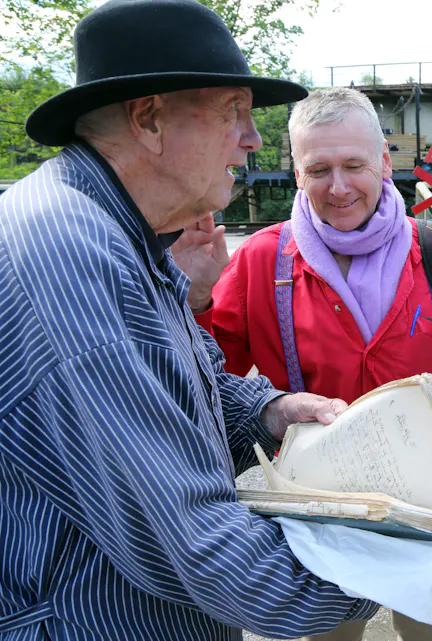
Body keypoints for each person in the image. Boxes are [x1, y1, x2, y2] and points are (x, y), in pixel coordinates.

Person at [0, 0, 380, 638]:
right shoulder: (70, 254)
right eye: (233, 112)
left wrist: (271, 410)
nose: (253, 138)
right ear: (149, 119)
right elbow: (194, 541)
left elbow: (185, 380)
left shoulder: (114, 231)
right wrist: (399, 564)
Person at [174, 86, 432, 641]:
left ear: (383, 161)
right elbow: (205, 375)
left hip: (426, 496)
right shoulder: (262, 258)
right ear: (297, 175)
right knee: (331, 635)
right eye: (319, 168)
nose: (339, 186)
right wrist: (199, 300)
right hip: (318, 504)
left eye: (354, 164)